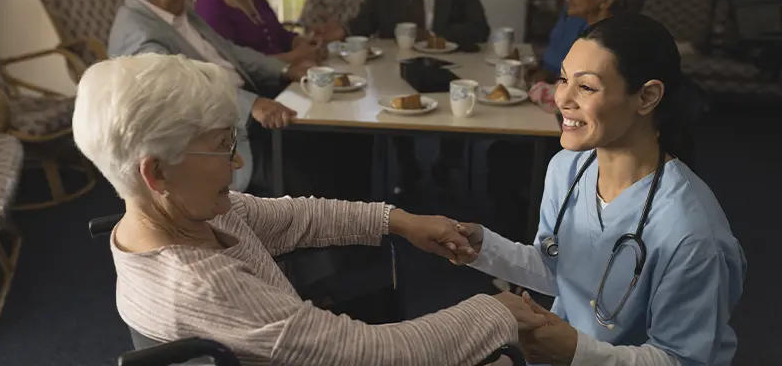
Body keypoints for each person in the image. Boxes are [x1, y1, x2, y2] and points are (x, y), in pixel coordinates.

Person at [71, 52, 549, 365]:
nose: (237, 162)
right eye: (221, 147)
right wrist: (495, 310)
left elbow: (296, 217)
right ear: (157, 173)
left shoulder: (182, 214)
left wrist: (400, 221)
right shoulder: (208, 285)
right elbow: (373, 354)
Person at [450, 14, 746, 365]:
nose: (562, 98)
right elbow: (558, 267)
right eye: (563, 79)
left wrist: (578, 352)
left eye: (586, 87)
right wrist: (483, 247)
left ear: (647, 97)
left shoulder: (691, 234)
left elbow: (683, 360)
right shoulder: (567, 169)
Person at [110, 0, 310, 193]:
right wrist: (251, 105)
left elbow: (230, 51)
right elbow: (184, 87)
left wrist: (284, 70)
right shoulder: (138, 35)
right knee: (300, 172)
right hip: (217, 132)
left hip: (245, 102)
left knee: (318, 142)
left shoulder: (178, 12)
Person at [486, 0, 649, 239]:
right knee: (505, 152)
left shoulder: (610, 48)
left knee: (505, 157)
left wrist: (547, 93)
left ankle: (525, 244)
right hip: (586, 139)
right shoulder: (596, 33)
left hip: (601, 152)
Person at [314, 0, 492, 196]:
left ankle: (447, 164)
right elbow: (368, 19)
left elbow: (479, 29)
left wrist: (433, 34)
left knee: (456, 99)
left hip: (448, 61)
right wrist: (343, 30)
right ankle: (406, 163)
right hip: (397, 61)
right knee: (393, 93)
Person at [195, 0, 323, 64]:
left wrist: (304, 42)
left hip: (284, 78)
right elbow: (232, 63)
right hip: (254, 90)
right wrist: (292, 58)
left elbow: (280, 35)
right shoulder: (210, 4)